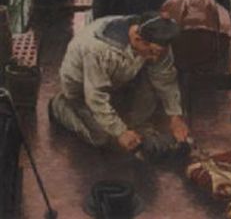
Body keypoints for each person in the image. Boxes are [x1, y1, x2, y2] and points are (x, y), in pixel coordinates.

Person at [48, 13, 189, 151]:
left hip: (117, 81)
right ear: (137, 38)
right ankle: (59, 105)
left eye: (159, 53)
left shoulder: (158, 42)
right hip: (81, 90)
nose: (155, 58)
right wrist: (120, 132)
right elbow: (96, 96)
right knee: (102, 138)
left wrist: (175, 117)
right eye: (151, 52)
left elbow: (165, 78)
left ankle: (128, 118)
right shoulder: (97, 49)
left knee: (139, 122)